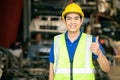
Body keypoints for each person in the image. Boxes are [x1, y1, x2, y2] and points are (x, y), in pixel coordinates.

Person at [49, 3, 110, 80]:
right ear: (64, 21)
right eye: (69, 19)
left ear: (81, 21)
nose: (72, 22)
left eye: (76, 18)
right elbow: (51, 69)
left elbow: (107, 69)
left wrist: (99, 53)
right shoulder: (57, 41)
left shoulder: (91, 41)